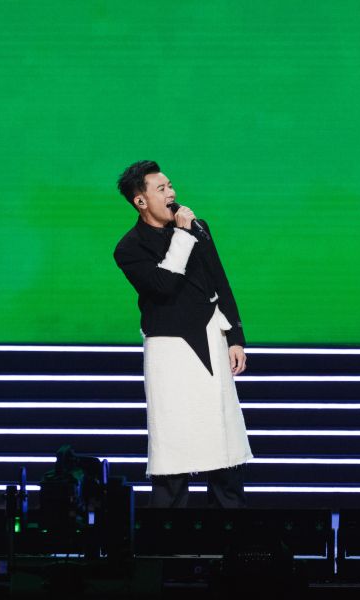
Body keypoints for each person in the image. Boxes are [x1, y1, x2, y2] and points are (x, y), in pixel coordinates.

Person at [114, 160, 252, 508]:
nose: (171, 193)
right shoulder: (129, 248)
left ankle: (233, 531)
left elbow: (219, 280)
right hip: (170, 350)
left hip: (211, 337)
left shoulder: (198, 227)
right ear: (140, 201)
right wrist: (182, 235)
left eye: (170, 186)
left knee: (224, 445)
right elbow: (163, 286)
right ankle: (168, 536)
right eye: (161, 189)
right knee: (173, 448)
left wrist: (235, 337)